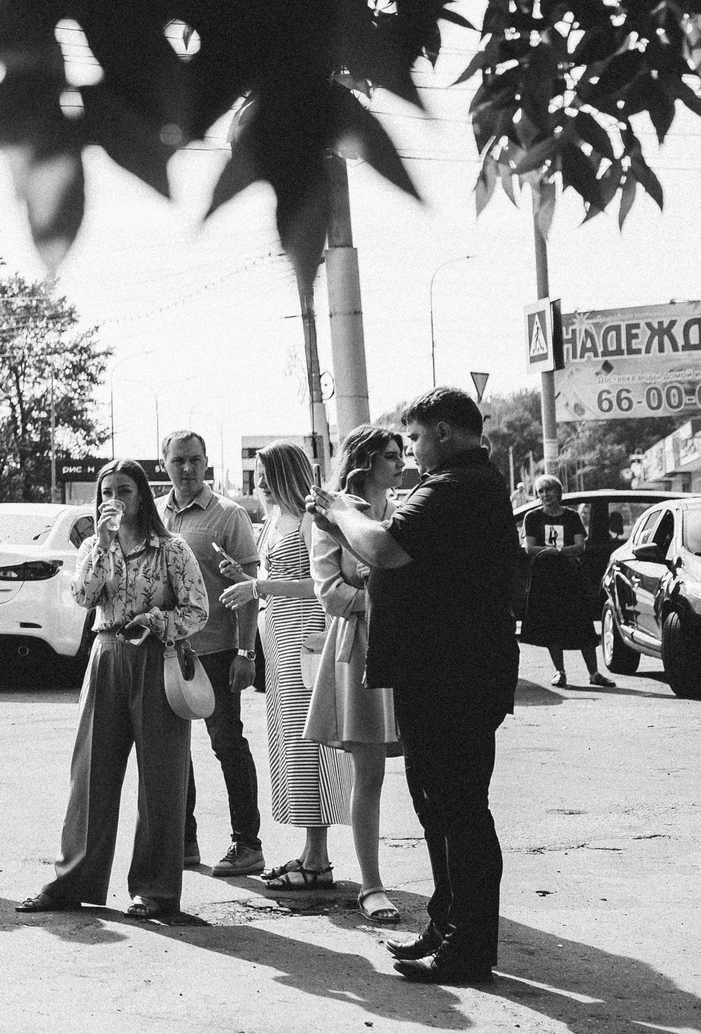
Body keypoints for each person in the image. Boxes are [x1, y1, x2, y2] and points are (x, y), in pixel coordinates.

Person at [309, 387, 523, 984]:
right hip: (438, 671)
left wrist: (340, 509)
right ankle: (447, 922)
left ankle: (469, 945)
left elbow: (383, 548)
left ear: (448, 434)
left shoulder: (459, 485)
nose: (412, 451)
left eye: (419, 438)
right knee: (437, 806)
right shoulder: (457, 484)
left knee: (460, 810)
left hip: (455, 675)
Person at [17, 458, 209, 921]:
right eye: (107, 491)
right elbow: (82, 598)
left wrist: (158, 620)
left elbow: (198, 611)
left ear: (142, 495)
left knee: (162, 779)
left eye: (124, 490)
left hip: (156, 660)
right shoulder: (92, 545)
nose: (115, 499)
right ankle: (73, 881)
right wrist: (102, 547)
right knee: (90, 775)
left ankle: (155, 890)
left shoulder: (172, 548)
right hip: (106, 655)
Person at [219, 443, 350, 891]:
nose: (256, 480)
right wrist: (244, 576)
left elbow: (319, 583)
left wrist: (256, 583)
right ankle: (311, 853)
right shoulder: (273, 518)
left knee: (311, 742)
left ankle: (318, 860)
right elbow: (273, 578)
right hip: (278, 633)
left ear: (281, 473)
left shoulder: (311, 515)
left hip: (306, 631)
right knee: (293, 742)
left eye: (261, 471)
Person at [307, 423, 405, 923]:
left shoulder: (408, 508)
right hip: (361, 650)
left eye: (402, 452)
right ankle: (371, 885)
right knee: (370, 773)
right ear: (365, 461)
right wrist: (392, 600)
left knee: (429, 770)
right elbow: (330, 593)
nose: (401, 462)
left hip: (411, 647)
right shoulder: (330, 513)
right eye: (391, 454)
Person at [161, 429, 265, 878]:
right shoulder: (155, 515)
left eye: (195, 460)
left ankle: (247, 843)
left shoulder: (229, 515)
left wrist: (246, 652)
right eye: (178, 460)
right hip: (169, 653)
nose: (186, 468)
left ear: (208, 463)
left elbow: (246, 590)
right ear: (164, 463)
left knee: (226, 744)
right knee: (172, 750)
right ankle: (183, 840)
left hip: (219, 651)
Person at [517, 476, 612, 688]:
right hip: (545, 577)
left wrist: (557, 551)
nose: (545, 495)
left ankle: (594, 673)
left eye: (549, 490)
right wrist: (556, 552)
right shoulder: (532, 517)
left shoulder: (571, 516)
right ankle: (560, 672)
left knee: (582, 623)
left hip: (570, 575)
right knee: (552, 624)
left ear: (558, 493)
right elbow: (528, 548)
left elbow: (580, 546)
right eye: (541, 492)